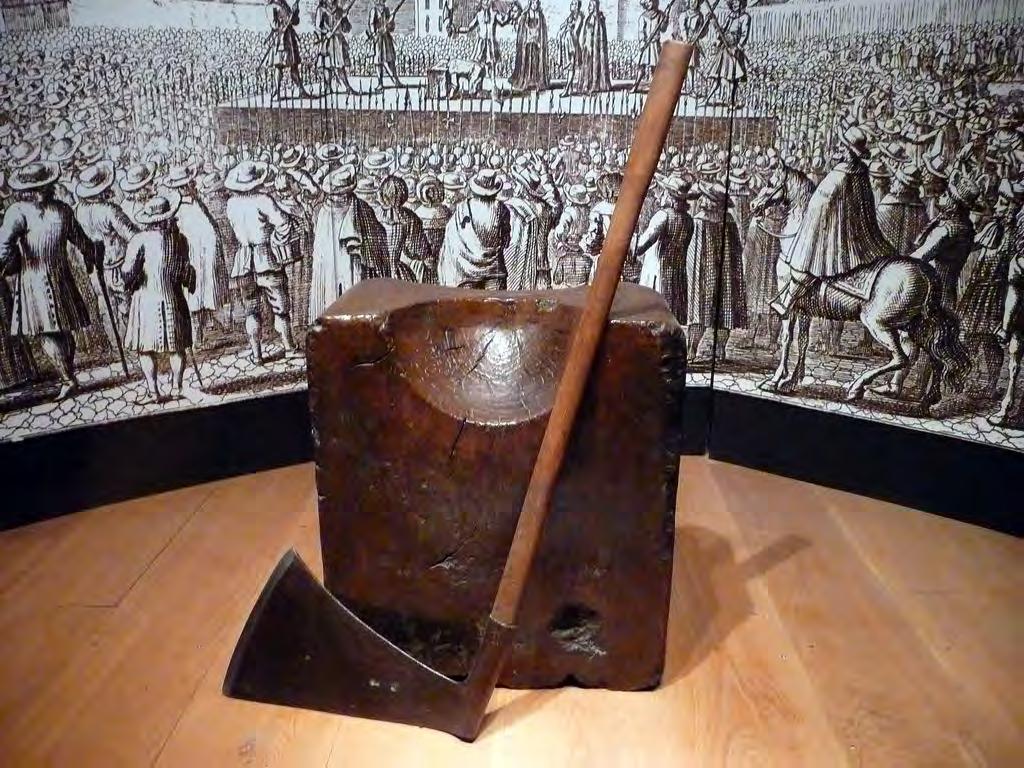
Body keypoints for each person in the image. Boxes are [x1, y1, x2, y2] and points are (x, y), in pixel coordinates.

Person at [0, 162, 101, 401]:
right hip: (55, 277)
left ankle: (68, 379)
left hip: (38, 281)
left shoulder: (18, 211)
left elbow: (2, 248)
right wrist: (91, 253)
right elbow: (83, 242)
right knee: (60, 331)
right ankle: (69, 377)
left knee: (51, 333)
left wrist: (8, 265)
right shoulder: (60, 209)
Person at [772, 125, 896, 317]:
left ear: (848, 151)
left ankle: (787, 301)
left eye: (843, 147)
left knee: (803, 260)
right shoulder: (861, 172)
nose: (840, 149)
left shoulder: (839, 174)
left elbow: (819, 205)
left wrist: (811, 223)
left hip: (837, 233)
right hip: (859, 236)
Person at [224, 160, 302, 365]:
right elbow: (283, 224)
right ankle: (289, 348)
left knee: (252, 310)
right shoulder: (263, 200)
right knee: (280, 308)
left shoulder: (231, 204)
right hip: (266, 258)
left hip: (243, 263)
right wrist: (277, 241)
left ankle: (257, 355)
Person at [121, 191, 195, 403]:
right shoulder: (180, 239)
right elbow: (184, 270)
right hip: (173, 298)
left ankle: (153, 392)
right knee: (176, 347)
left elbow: (128, 272)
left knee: (145, 349)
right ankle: (176, 388)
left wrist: (128, 278)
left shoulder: (139, 240)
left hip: (146, 300)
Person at [958, 180, 1021, 399]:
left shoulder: (1015, 236)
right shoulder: (993, 227)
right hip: (977, 291)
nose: (997, 206)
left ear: (1013, 207)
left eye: (1003, 203)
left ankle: (991, 385)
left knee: (990, 342)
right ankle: (966, 379)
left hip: (996, 294)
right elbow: (972, 244)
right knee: (969, 336)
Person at [307, 165, 389, 323]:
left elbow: (377, 237)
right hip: (330, 269)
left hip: (352, 267)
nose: (336, 199)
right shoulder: (324, 212)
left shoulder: (360, 209)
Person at [163, 165, 225, 350]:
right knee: (194, 300)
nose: (192, 186)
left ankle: (201, 335)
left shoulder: (195, 203)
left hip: (203, 258)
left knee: (202, 297)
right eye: (188, 184)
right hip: (193, 260)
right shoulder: (179, 209)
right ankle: (197, 340)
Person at [74, 160, 137, 335]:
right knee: (127, 307)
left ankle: (118, 344)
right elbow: (132, 235)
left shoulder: (78, 210)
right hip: (118, 266)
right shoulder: (109, 210)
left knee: (107, 310)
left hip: (96, 269)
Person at [687, 181, 746, 360]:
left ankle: (692, 351)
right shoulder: (729, 220)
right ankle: (718, 350)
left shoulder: (700, 219)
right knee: (724, 306)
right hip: (726, 272)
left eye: (706, 197)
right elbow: (737, 250)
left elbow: (692, 251)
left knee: (700, 308)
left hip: (704, 272)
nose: (703, 200)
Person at [907, 175, 978, 312]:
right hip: (949, 293)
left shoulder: (947, 230)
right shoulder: (966, 226)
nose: (941, 196)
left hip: (935, 293)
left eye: (946, 195)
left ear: (953, 204)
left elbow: (919, 257)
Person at [437, 169, 511, 289]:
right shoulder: (502, 209)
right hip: (494, 270)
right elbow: (506, 241)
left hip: (466, 271)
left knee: (468, 301)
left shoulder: (462, 208)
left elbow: (452, 240)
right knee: (495, 300)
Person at [635, 175, 694, 324]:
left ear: (669, 196)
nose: (660, 195)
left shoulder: (662, 216)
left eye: (664, 192)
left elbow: (640, 246)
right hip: (677, 275)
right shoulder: (689, 220)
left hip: (658, 272)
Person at [505, 165, 562, 290]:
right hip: (541, 259)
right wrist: (547, 177)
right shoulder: (546, 208)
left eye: (517, 183)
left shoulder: (516, 208)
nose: (515, 186)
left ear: (523, 188)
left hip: (522, 260)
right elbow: (557, 207)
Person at [376, 174, 429, 282]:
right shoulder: (408, 217)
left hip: (376, 274)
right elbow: (416, 250)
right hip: (395, 273)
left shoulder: (374, 214)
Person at [457, 0, 515, 96]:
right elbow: (469, 28)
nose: (486, 2)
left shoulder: (494, 14)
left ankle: (493, 87)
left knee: (491, 66)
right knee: (478, 66)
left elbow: (502, 21)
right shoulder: (479, 15)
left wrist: (509, 13)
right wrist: (457, 29)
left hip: (490, 43)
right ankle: (475, 88)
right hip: (481, 44)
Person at [876, 164, 928, 256]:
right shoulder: (921, 209)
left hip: (886, 259)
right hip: (911, 259)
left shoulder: (884, 207)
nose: (892, 182)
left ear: (900, 184)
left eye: (896, 180)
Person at [707, 0, 750, 106]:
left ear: (742, 3)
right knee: (718, 76)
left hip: (734, 51)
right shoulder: (730, 16)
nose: (735, 4)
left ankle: (731, 101)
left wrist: (737, 47)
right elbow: (721, 31)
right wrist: (714, 22)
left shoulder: (745, 17)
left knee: (732, 78)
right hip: (725, 49)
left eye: (737, 2)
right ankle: (709, 99)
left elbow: (744, 35)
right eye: (733, 2)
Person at [266, 0, 311, 100]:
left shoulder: (285, 5)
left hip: (290, 39)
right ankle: (276, 92)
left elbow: (295, 22)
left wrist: (295, 12)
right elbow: (275, 25)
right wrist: (288, 19)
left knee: (294, 66)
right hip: (280, 40)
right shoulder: (271, 7)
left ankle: (301, 91)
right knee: (279, 66)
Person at [550, 183, 591, 288]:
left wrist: (559, 239)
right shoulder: (586, 213)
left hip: (568, 244)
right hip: (582, 245)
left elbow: (559, 232)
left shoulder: (569, 212)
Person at [315, 0, 355, 95]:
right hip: (327, 42)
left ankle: (347, 87)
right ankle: (328, 88)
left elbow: (347, 29)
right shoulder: (321, 10)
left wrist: (344, 19)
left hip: (337, 42)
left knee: (340, 66)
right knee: (327, 66)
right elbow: (317, 27)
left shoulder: (339, 11)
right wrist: (326, 32)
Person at [511, 0, 549, 92]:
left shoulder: (540, 16)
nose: (534, 5)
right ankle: (526, 82)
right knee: (527, 62)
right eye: (533, 3)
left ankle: (536, 82)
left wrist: (539, 40)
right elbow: (522, 30)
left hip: (536, 43)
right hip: (527, 42)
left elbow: (542, 31)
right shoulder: (525, 15)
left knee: (536, 62)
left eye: (536, 3)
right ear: (530, 3)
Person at [576, 0, 611, 94]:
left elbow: (600, 36)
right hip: (587, 47)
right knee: (587, 66)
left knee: (594, 66)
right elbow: (585, 33)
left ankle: (595, 85)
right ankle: (586, 84)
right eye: (589, 6)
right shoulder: (589, 18)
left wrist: (594, 47)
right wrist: (584, 44)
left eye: (590, 6)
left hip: (595, 49)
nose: (589, 8)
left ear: (595, 6)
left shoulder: (599, 19)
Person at [632, 0, 667, 93]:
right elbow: (641, 31)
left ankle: (654, 88)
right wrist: (642, 42)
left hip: (655, 44)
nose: (648, 4)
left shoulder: (660, 15)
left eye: (650, 1)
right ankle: (635, 85)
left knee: (654, 67)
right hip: (646, 44)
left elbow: (663, 29)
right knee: (641, 66)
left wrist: (665, 20)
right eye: (647, 2)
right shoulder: (643, 16)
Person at [367, 0, 402, 91]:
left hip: (386, 38)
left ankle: (395, 80)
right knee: (378, 62)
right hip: (378, 38)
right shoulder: (374, 10)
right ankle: (380, 83)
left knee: (390, 60)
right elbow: (371, 24)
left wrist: (391, 21)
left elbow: (391, 27)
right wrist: (374, 34)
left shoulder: (386, 10)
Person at [556, 0, 584, 96]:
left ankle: (567, 89)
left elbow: (575, 32)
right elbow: (562, 26)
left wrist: (568, 28)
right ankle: (569, 89)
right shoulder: (571, 16)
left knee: (571, 67)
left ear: (577, 6)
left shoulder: (579, 17)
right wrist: (566, 26)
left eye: (574, 4)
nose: (571, 5)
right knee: (570, 68)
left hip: (573, 46)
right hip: (568, 45)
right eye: (572, 3)